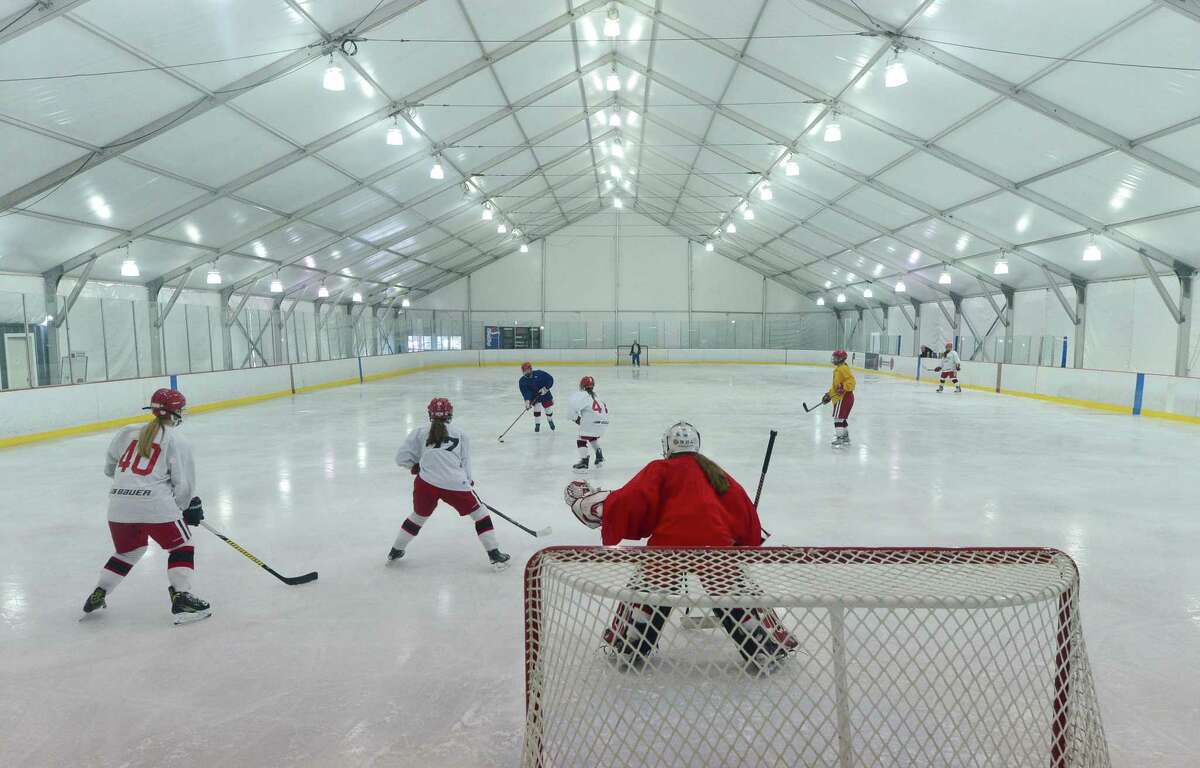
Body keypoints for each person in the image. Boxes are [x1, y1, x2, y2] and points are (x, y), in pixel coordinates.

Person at [563, 422, 794, 676]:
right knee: (731, 590)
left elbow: (629, 501)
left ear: (667, 446)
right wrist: (745, 538)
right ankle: (761, 644)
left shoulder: (660, 468)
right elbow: (743, 510)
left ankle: (631, 645)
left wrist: (588, 503)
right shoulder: (715, 472)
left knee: (649, 590)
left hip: (668, 547)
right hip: (716, 548)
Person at [81, 388, 210, 625]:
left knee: (128, 551)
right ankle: (182, 598)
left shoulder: (128, 431)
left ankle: (100, 591)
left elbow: (110, 469)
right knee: (182, 546)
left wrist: (131, 488)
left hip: (118, 505)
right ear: (176, 413)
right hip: (155, 506)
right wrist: (184, 508)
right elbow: (183, 485)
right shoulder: (178, 440)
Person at [389, 397, 510, 570]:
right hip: (454, 483)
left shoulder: (419, 431)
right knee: (480, 514)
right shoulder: (460, 433)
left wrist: (415, 466)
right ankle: (494, 554)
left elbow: (401, 458)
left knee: (418, 516)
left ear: (430, 414)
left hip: (426, 484)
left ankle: (395, 551)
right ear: (450, 414)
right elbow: (465, 463)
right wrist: (468, 482)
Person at [568, 375, 610, 472]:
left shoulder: (582, 395)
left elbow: (571, 412)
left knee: (581, 439)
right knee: (591, 436)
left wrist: (577, 420)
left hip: (592, 422)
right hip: (604, 423)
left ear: (582, 385)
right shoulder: (597, 396)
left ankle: (584, 462)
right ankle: (599, 456)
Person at [822, 349, 856, 448]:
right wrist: (829, 394)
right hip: (843, 397)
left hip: (843, 397)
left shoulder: (842, 369)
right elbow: (836, 386)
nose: (834, 359)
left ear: (841, 359)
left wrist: (844, 387)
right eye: (834, 357)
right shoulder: (839, 369)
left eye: (836, 358)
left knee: (838, 418)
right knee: (841, 418)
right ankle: (845, 437)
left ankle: (840, 438)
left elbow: (852, 381)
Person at [518, 362, 555, 433]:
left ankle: (550, 419)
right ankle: (537, 425)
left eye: (527, 370)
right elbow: (526, 392)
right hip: (535, 397)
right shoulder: (522, 381)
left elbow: (550, 379)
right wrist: (527, 401)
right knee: (536, 408)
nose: (526, 372)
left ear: (531, 369)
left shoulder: (539, 373)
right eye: (524, 371)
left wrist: (546, 388)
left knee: (548, 408)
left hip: (545, 394)